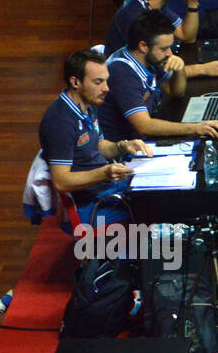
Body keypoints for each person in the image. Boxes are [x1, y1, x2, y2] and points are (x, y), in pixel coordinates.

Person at [38, 50, 152, 226]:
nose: (106, 88)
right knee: (156, 208)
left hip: (108, 189)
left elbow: (99, 146)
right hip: (91, 207)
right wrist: (105, 173)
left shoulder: (87, 106)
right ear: (75, 82)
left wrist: (123, 146)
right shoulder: (60, 122)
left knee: (159, 192)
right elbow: (61, 182)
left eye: (106, 80)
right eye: (98, 82)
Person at [98, 11, 218, 142]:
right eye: (164, 48)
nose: (169, 53)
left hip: (140, 140)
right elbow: (144, 126)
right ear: (143, 46)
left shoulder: (150, 58)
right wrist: (196, 128)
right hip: (122, 151)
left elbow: (175, 92)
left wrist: (179, 69)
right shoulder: (122, 72)